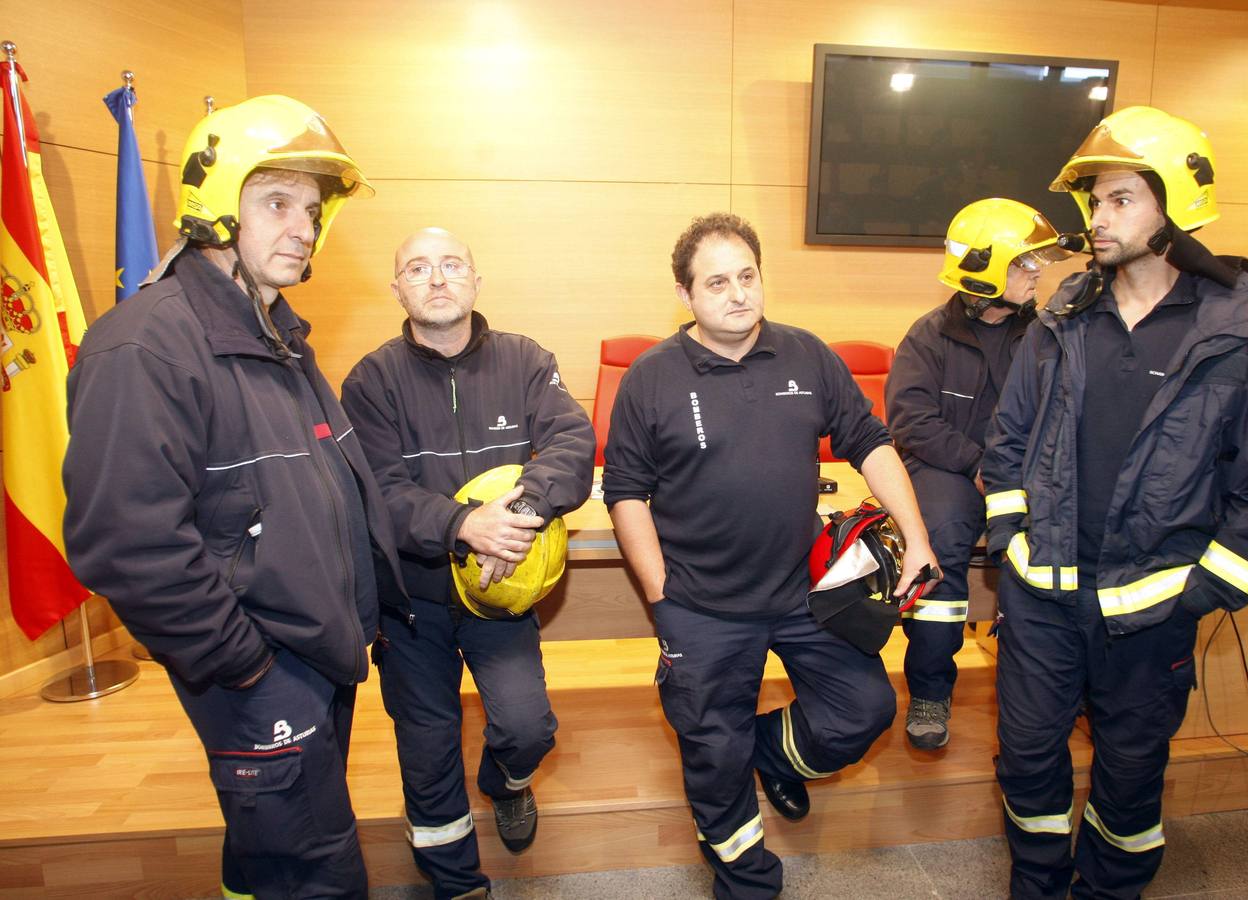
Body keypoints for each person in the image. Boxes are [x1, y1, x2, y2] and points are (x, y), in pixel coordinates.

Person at [63, 95, 406, 899]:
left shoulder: (274, 330)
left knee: (271, 846)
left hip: (313, 652)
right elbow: (128, 544)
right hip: (261, 663)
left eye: (313, 211)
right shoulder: (144, 345)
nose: (303, 228)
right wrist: (243, 666)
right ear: (215, 209)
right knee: (314, 871)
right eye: (278, 203)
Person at [982, 106, 1248, 899]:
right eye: (1095, 202)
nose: (1098, 218)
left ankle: (1107, 891)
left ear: (1176, 209)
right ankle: (1037, 885)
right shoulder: (1059, 319)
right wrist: (1011, 546)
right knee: (1027, 759)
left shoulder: (1243, 338)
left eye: (1121, 200)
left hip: (1152, 614)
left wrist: (1197, 594)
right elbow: (1007, 442)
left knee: (1130, 784)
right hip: (1043, 598)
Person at [602, 212, 940, 899]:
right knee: (712, 756)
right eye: (717, 281)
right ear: (686, 294)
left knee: (865, 708)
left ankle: (767, 754)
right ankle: (748, 880)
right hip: (702, 606)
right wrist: (662, 596)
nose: (738, 294)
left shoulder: (806, 354)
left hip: (800, 595)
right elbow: (626, 492)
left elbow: (871, 443)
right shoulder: (651, 378)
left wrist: (919, 536)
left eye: (748, 276)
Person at [341, 228, 595, 899]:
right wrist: (462, 525)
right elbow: (380, 493)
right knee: (427, 752)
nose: (437, 277)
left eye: (452, 264)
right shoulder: (370, 381)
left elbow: (572, 441)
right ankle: (455, 882)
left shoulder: (526, 360)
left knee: (527, 728)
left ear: (476, 281)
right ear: (397, 288)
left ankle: (505, 783)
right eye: (418, 268)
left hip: (500, 591)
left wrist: (519, 513)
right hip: (412, 603)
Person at [885, 198, 1071, 750]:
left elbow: (1064, 413)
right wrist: (978, 465)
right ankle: (930, 690)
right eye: (1023, 263)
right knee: (940, 538)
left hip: (1023, 470)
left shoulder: (1049, 334)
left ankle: (1043, 690)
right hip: (946, 466)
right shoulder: (929, 335)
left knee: (1062, 534)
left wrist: (1015, 473)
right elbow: (911, 422)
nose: (1037, 272)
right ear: (986, 270)